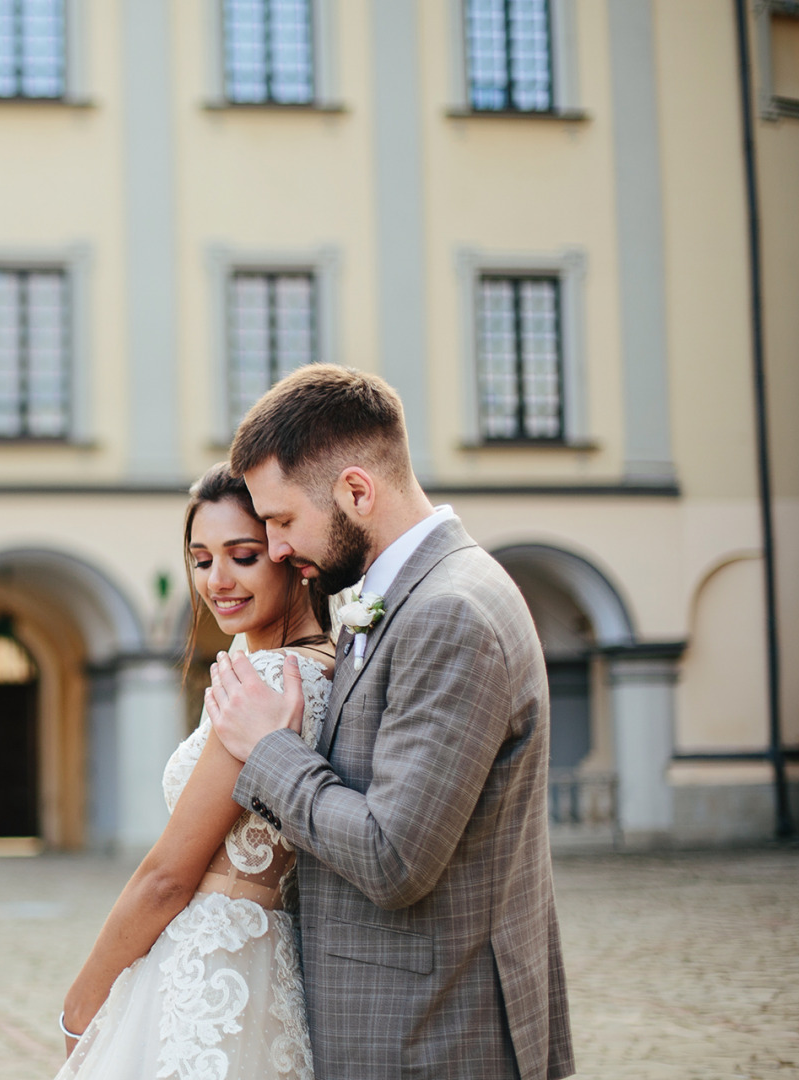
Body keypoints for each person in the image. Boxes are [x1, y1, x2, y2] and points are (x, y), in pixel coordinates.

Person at [205, 364, 575, 1079]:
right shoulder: (404, 595)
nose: (276, 548)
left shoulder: (451, 614)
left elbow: (393, 857)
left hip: (434, 1036)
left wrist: (270, 751)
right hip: (405, 1023)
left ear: (356, 491)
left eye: (282, 521)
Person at [56, 462, 333, 1080]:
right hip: (258, 964)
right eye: (202, 559)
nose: (219, 581)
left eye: (243, 555)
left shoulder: (268, 679)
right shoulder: (313, 665)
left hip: (210, 973)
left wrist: (81, 1007)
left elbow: (167, 878)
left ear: (289, 555)